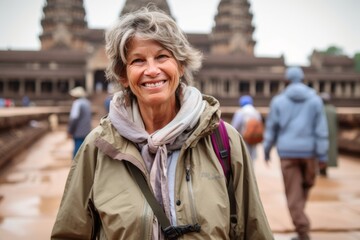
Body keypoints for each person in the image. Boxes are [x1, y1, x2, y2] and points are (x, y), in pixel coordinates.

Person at [51, 6, 273, 240]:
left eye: (162, 57)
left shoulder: (223, 141)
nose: (152, 70)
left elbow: (255, 231)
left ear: (181, 65)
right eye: (137, 60)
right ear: (123, 75)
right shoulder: (98, 147)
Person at [263, 66, 329, 240]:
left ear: (286, 80)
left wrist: (267, 149)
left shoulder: (279, 101)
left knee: (294, 193)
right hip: (310, 152)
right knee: (304, 188)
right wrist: (322, 155)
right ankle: (302, 228)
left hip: (288, 152)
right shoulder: (315, 100)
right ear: (302, 79)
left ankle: (301, 225)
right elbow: (321, 130)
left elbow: (272, 129)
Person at [231, 95, 262, 161]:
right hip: (254, 138)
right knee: (252, 156)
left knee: (244, 156)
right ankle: (252, 169)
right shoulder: (256, 112)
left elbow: (234, 127)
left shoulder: (240, 112)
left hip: (244, 137)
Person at [67, 86, 92, 158]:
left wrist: (70, 131)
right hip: (86, 131)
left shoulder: (77, 103)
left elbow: (74, 118)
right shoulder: (87, 102)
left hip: (78, 132)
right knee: (84, 152)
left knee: (77, 154)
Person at [319, 92, 338, 176]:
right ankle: (325, 168)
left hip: (321, 134)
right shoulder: (333, 109)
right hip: (331, 135)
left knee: (320, 151)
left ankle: (320, 168)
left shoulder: (319, 109)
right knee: (329, 152)